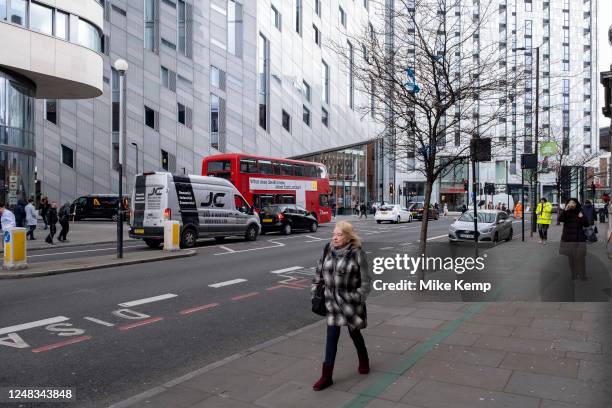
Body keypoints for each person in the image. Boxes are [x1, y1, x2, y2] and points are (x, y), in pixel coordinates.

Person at [311, 221, 372, 391]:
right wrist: (315, 292)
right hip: (332, 303)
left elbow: (366, 281)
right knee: (332, 337)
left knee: (355, 334)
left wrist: (357, 297)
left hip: (350, 303)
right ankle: (326, 376)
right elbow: (318, 274)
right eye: (334, 234)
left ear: (348, 237)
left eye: (339, 234)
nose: (335, 237)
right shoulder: (327, 250)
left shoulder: (357, 253)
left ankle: (364, 360)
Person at [559, 198, 589, 281]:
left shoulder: (580, 211)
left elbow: (586, 224)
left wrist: (582, 217)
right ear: (567, 204)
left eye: (573, 202)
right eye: (570, 202)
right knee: (571, 258)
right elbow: (560, 219)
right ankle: (574, 274)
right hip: (568, 239)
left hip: (579, 239)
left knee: (581, 258)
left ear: (576, 204)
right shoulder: (566, 212)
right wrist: (565, 210)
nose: (571, 204)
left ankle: (582, 275)